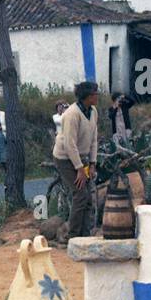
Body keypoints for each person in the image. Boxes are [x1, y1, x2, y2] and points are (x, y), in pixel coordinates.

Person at [53, 80, 100, 237]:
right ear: (87, 96)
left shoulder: (93, 111)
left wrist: (92, 163)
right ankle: (73, 235)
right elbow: (69, 144)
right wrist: (79, 169)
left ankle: (85, 234)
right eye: (94, 93)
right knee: (80, 194)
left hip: (81, 156)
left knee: (87, 198)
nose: (97, 96)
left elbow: (94, 139)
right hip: (65, 158)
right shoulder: (72, 114)